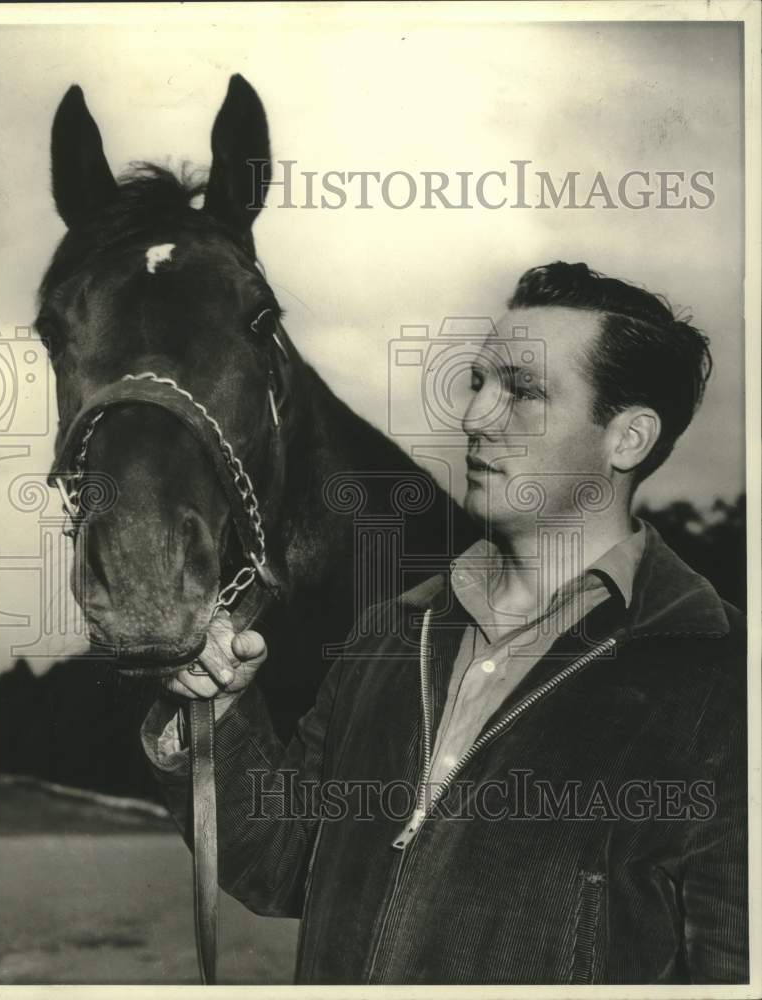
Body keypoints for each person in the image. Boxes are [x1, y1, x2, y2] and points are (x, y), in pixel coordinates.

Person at [141, 261, 748, 984]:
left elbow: (733, 962)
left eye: (523, 391)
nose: (474, 416)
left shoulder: (723, 676)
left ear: (626, 439)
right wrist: (216, 710)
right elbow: (281, 864)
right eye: (478, 382)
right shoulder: (390, 634)